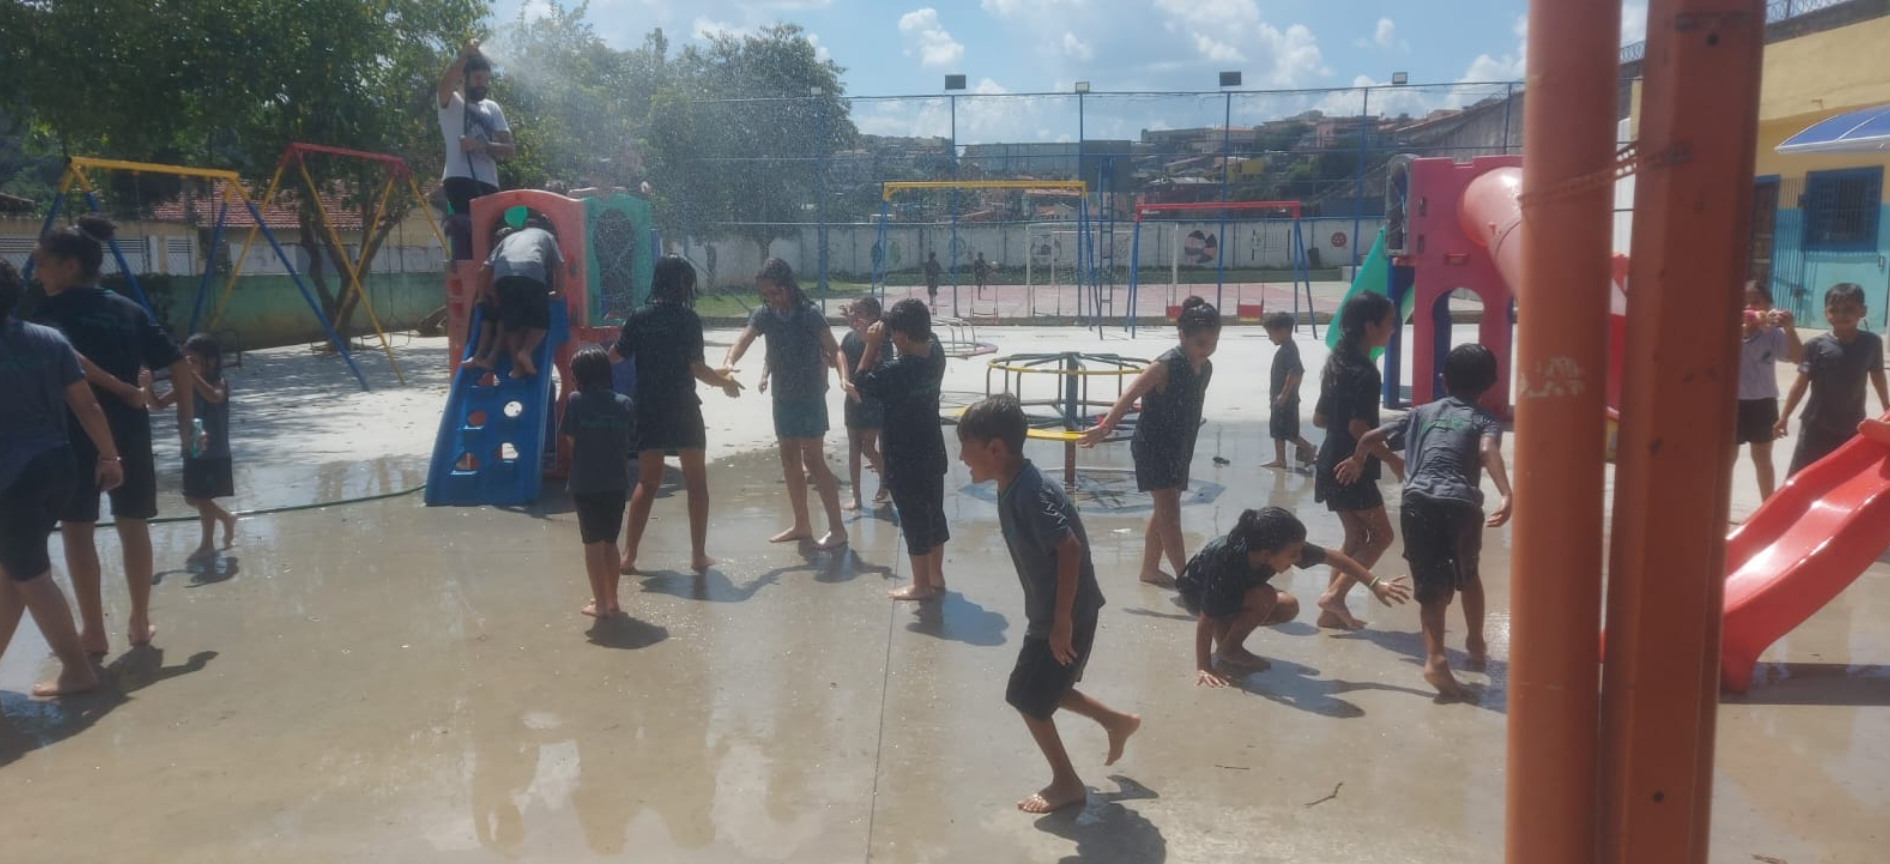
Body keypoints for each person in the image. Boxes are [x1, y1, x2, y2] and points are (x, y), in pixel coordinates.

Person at [958, 393, 1141, 815]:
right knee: (1047, 689)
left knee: (1025, 695)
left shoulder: (1029, 493)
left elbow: (1069, 548)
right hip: (1058, 610)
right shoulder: (1013, 482)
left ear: (995, 448)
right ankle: (1116, 721)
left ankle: (1068, 783)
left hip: (1066, 613)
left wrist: (1061, 621)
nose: (963, 458)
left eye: (966, 448)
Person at [31, 215, 194, 654]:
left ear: (68, 266)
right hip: (130, 430)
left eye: (41, 263)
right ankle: (140, 623)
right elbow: (179, 363)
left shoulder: (46, 310)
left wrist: (120, 388)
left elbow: (71, 358)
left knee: (77, 529)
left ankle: (93, 632)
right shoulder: (127, 309)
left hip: (73, 430)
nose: (37, 272)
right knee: (132, 523)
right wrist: (185, 424)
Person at [1342, 343, 1512, 699]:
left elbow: (1372, 437)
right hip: (1461, 503)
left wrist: (1358, 461)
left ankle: (1436, 658)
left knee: (1431, 586)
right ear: (1491, 384)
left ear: (1443, 379)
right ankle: (1476, 643)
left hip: (1416, 502)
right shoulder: (1484, 419)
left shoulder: (1421, 412)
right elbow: (1486, 450)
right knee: (1468, 575)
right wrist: (1506, 492)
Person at [0, 260, 124, 697]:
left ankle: (77, 671)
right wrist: (110, 456)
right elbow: (87, 405)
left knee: (30, 575)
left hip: (13, 480)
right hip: (58, 466)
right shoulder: (49, 340)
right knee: (13, 570)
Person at [608, 256, 744, 574]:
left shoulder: (639, 317)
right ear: (683, 284)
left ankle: (628, 556)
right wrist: (724, 381)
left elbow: (615, 355)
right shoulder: (687, 319)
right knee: (696, 483)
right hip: (682, 406)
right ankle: (698, 555)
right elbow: (696, 368)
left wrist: (588, 362)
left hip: (648, 407)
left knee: (648, 481)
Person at [1179, 507, 1408, 687]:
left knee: (1287, 606)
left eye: (1299, 551)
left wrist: (1375, 583)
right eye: (1293, 555)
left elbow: (1335, 559)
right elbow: (1206, 620)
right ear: (1267, 554)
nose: (1298, 558)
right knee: (1265, 597)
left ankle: (1228, 641)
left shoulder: (1278, 545)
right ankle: (1229, 649)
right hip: (1197, 592)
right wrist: (1204, 666)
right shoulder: (1226, 562)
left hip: (1230, 594)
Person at [1080, 296, 1220, 588]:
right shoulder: (1164, 365)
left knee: (1165, 508)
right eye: (1201, 343)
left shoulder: (1205, 369)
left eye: (1213, 343)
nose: (1206, 350)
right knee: (1171, 513)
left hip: (1181, 446)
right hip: (1153, 446)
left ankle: (1150, 570)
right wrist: (1105, 427)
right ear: (1183, 335)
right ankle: (1187, 578)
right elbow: (1129, 395)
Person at [723, 258, 850, 549]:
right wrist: (729, 362)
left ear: (788, 286)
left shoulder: (809, 314)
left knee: (814, 461)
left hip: (809, 397)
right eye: (766, 294)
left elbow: (835, 349)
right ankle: (802, 524)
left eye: (775, 292)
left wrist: (844, 378)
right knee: (790, 460)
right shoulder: (764, 315)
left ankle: (838, 529)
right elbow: (743, 339)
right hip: (782, 397)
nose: (772, 299)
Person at [1312, 292, 1402, 631]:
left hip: (1329, 460)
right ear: (1370, 326)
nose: (1394, 329)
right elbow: (1358, 427)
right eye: (1390, 323)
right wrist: (1392, 458)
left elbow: (1321, 419)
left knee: (1354, 538)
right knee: (1381, 536)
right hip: (1352, 465)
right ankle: (1334, 597)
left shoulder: (1334, 365)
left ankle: (1329, 611)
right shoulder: (1366, 372)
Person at [853, 299, 950, 601]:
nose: (891, 339)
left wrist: (870, 345)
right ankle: (936, 575)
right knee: (934, 514)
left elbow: (861, 382)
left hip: (904, 457)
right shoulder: (936, 352)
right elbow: (913, 329)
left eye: (894, 334)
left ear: (903, 337)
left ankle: (920, 584)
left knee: (913, 519)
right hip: (932, 451)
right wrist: (884, 324)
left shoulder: (897, 372)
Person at [1775, 282, 1889, 476]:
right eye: (1834, 310)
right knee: (1804, 474)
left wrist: (1887, 406)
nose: (1841, 315)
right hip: (1816, 425)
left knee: (1843, 475)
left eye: (1849, 309)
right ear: (1825, 313)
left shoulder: (1872, 343)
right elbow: (1800, 384)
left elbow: (1878, 375)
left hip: (1853, 424)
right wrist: (1783, 417)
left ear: (1863, 311)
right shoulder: (1815, 346)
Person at [147, 334, 238, 562]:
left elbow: (213, 397)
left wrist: (192, 376)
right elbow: (157, 405)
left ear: (211, 362)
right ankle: (226, 518)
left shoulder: (219, 382)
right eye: (185, 362)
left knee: (203, 498)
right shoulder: (185, 385)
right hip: (191, 450)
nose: (188, 367)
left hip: (214, 452)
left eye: (194, 362)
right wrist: (147, 387)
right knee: (192, 498)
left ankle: (207, 545)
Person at [560, 346, 636, 618]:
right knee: (609, 542)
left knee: (591, 545)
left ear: (578, 375)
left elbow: (571, 441)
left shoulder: (576, 401)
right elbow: (628, 438)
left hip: (586, 483)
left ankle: (600, 603)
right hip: (616, 483)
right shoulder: (624, 402)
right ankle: (612, 599)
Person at [471, 218, 565, 378]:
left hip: (503, 278)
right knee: (540, 323)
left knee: (512, 327)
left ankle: (517, 369)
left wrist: (480, 297)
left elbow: (484, 269)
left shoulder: (509, 239)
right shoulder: (547, 236)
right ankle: (526, 352)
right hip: (532, 273)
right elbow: (559, 265)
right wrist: (558, 292)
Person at [1735, 282, 1800, 499]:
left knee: (1762, 459)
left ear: (1768, 306)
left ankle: (1767, 506)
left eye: (1756, 302)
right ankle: (1717, 506)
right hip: (1731, 403)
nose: (1749, 307)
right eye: (1743, 302)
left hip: (1763, 402)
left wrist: (1789, 329)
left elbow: (1797, 358)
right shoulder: (1727, 330)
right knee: (1726, 459)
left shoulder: (1772, 334)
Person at [437, 39, 514, 220]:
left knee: (494, 233)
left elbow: (509, 149)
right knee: (472, 230)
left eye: (487, 80)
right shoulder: (451, 102)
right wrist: (464, 56)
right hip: (459, 180)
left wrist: (481, 145)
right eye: (478, 78)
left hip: (489, 182)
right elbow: (445, 83)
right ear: (464, 78)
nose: (483, 84)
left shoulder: (492, 108)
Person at [838, 297, 890, 512]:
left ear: (873, 317)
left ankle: (886, 480)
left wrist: (864, 336)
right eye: (852, 311)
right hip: (851, 398)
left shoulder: (882, 340)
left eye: (858, 312)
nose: (853, 316)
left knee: (868, 446)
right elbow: (839, 355)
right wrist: (843, 378)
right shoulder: (848, 337)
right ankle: (857, 498)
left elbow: (879, 362)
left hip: (873, 399)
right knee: (853, 448)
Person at [1259, 311, 1317, 469]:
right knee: (1278, 430)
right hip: (1280, 398)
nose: (1269, 337)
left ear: (1283, 331)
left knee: (1288, 432)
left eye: (1271, 333)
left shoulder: (1289, 350)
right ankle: (1280, 459)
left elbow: (1296, 372)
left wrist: (1284, 395)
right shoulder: (1286, 348)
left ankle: (1309, 448)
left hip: (1286, 399)